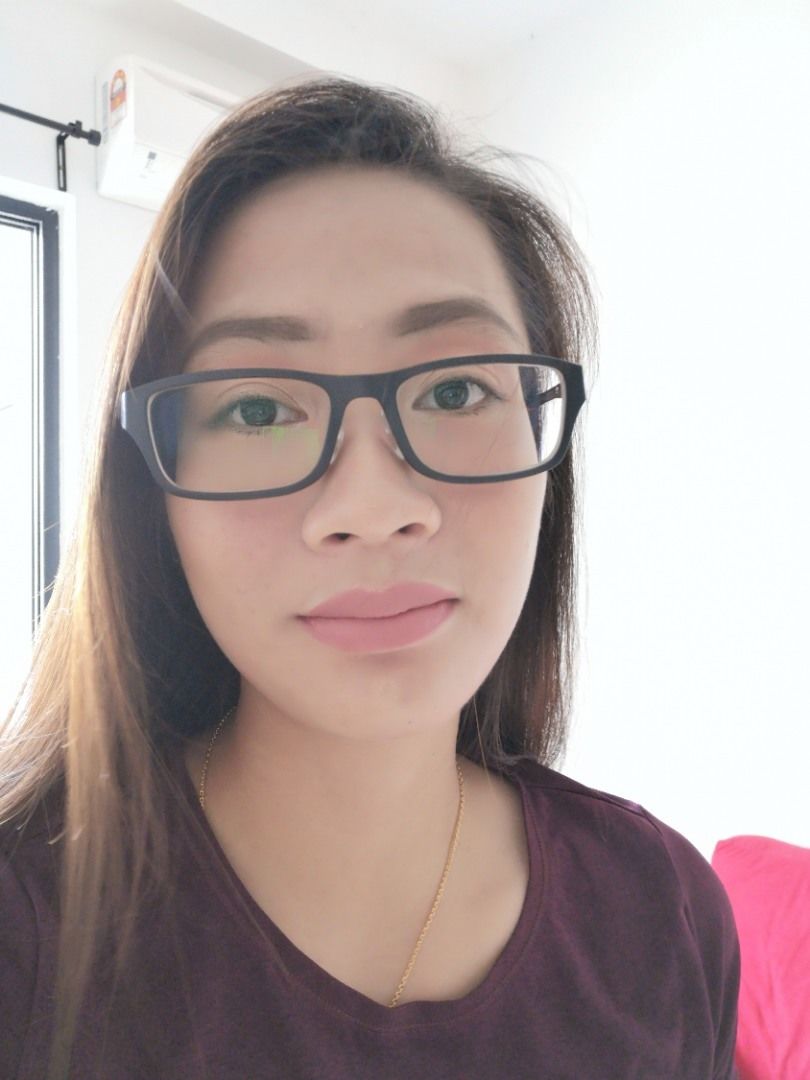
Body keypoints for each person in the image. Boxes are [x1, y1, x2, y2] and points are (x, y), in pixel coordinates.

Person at [0, 76, 740, 1079]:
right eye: (258, 409)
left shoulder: (663, 912)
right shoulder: (29, 930)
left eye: (455, 389)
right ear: (153, 493)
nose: (373, 505)